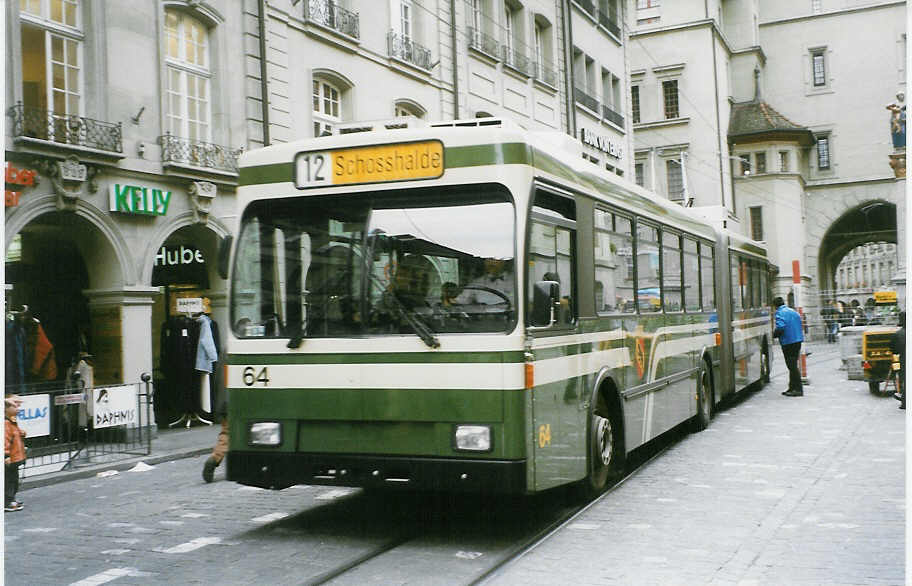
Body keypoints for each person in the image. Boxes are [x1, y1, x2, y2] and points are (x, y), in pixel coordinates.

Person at [773, 296, 804, 397]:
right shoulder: (793, 311)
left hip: (788, 342)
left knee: (792, 366)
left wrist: (773, 335)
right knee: (793, 365)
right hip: (797, 340)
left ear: (775, 306)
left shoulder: (779, 313)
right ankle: (792, 387)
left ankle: (798, 389)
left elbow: (781, 327)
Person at [5, 395, 27, 511]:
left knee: (13, 479)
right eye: (15, 406)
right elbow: (5, 440)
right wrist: (6, 456)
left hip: (14, 457)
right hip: (10, 458)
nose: (18, 409)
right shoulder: (6, 423)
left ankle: (11, 498)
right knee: (8, 479)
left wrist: (21, 433)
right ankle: (7, 501)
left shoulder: (12, 421)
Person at [890, 311, 905, 410]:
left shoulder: (898, 334)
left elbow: (893, 350)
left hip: (904, 360)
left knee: (905, 380)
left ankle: (905, 402)